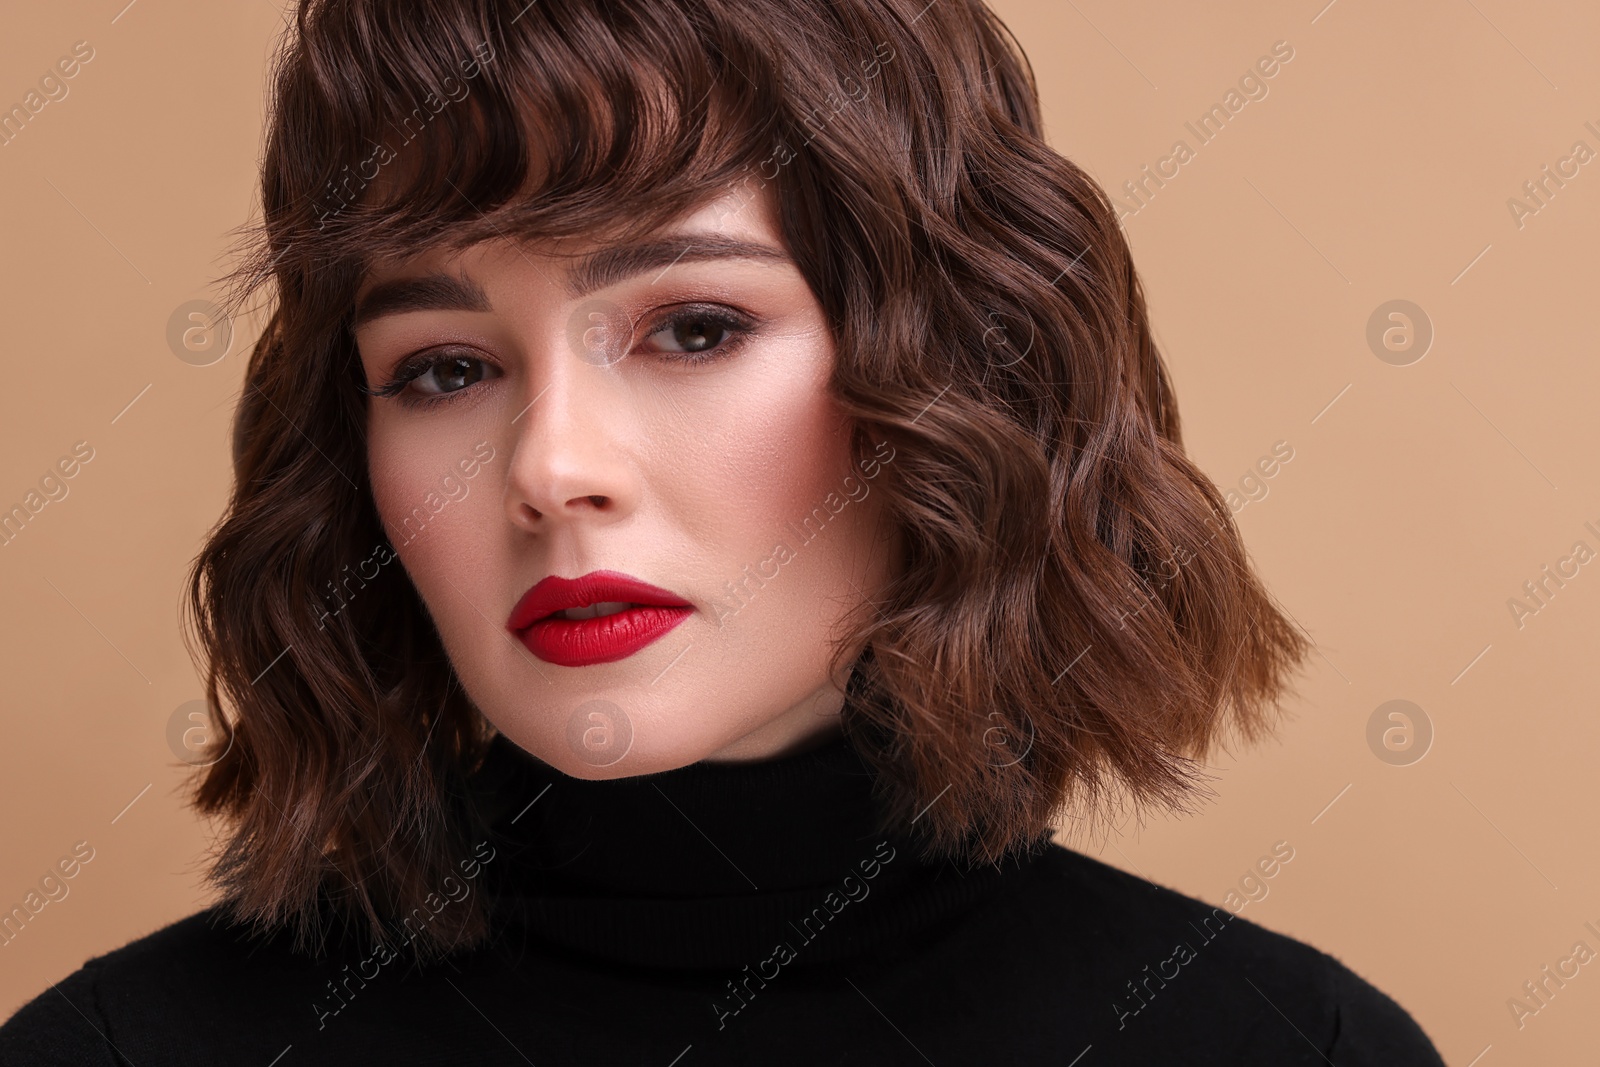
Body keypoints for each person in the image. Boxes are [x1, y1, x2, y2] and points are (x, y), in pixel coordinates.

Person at [0, 0, 1446, 1062]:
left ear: (946, 377)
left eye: (693, 328)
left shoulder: (1283, 1048)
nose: (552, 470)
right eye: (445, 368)